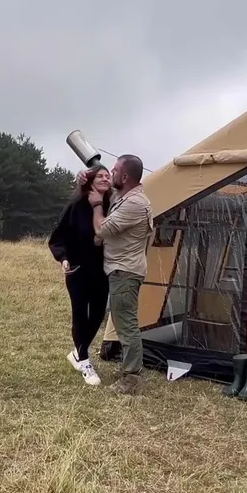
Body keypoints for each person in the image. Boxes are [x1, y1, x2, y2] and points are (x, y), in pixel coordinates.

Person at [84, 154, 153, 395]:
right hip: (121, 269)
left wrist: (95, 205)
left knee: (126, 324)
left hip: (125, 271)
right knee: (123, 321)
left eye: (114, 171)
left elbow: (101, 229)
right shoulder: (123, 196)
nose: (110, 174)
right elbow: (105, 190)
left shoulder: (135, 204)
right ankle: (130, 371)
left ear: (124, 177)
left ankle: (132, 379)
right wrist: (86, 177)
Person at [48, 166, 113, 386]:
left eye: (107, 176)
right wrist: (63, 258)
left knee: (98, 314)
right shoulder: (76, 205)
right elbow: (58, 236)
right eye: (100, 176)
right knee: (80, 314)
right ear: (90, 181)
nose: (105, 178)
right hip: (78, 269)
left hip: (102, 270)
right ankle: (84, 361)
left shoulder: (112, 204)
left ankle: (78, 352)